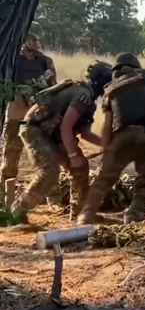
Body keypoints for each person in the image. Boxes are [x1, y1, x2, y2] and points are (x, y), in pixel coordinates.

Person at [9, 61, 113, 225]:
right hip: (35, 130)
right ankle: (17, 212)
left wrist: (107, 144)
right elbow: (66, 126)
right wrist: (72, 155)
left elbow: (85, 134)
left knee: (80, 167)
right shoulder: (82, 95)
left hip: (52, 134)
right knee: (49, 172)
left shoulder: (89, 101)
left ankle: (81, 213)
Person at [77, 53, 145, 226]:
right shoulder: (143, 75)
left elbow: (106, 126)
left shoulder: (109, 89)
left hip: (124, 136)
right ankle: (135, 215)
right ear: (135, 66)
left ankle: (86, 214)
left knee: (104, 179)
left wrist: (107, 152)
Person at [0, 22, 57, 191]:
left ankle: (51, 196)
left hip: (38, 116)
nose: (36, 44)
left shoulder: (45, 62)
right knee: (10, 157)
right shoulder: (11, 59)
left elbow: (53, 86)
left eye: (38, 40)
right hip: (15, 114)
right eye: (33, 39)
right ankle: (4, 194)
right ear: (24, 39)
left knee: (46, 158)